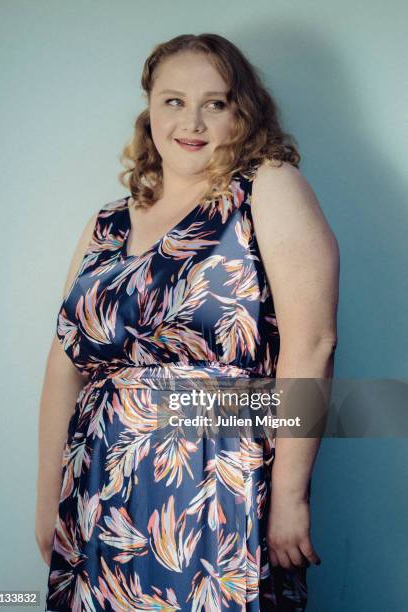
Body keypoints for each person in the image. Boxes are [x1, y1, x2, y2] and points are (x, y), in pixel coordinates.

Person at [36, 33, 339, 611]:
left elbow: (315, 342)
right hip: (100, 480)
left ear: (243, 112)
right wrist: (48, 492)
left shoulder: (267, 189)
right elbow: (65, 362)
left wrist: (290, 496)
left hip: (214, 475)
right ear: (149, 110)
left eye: (215, 102)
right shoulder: (106, 223)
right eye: (173, 101)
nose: (191, 120)